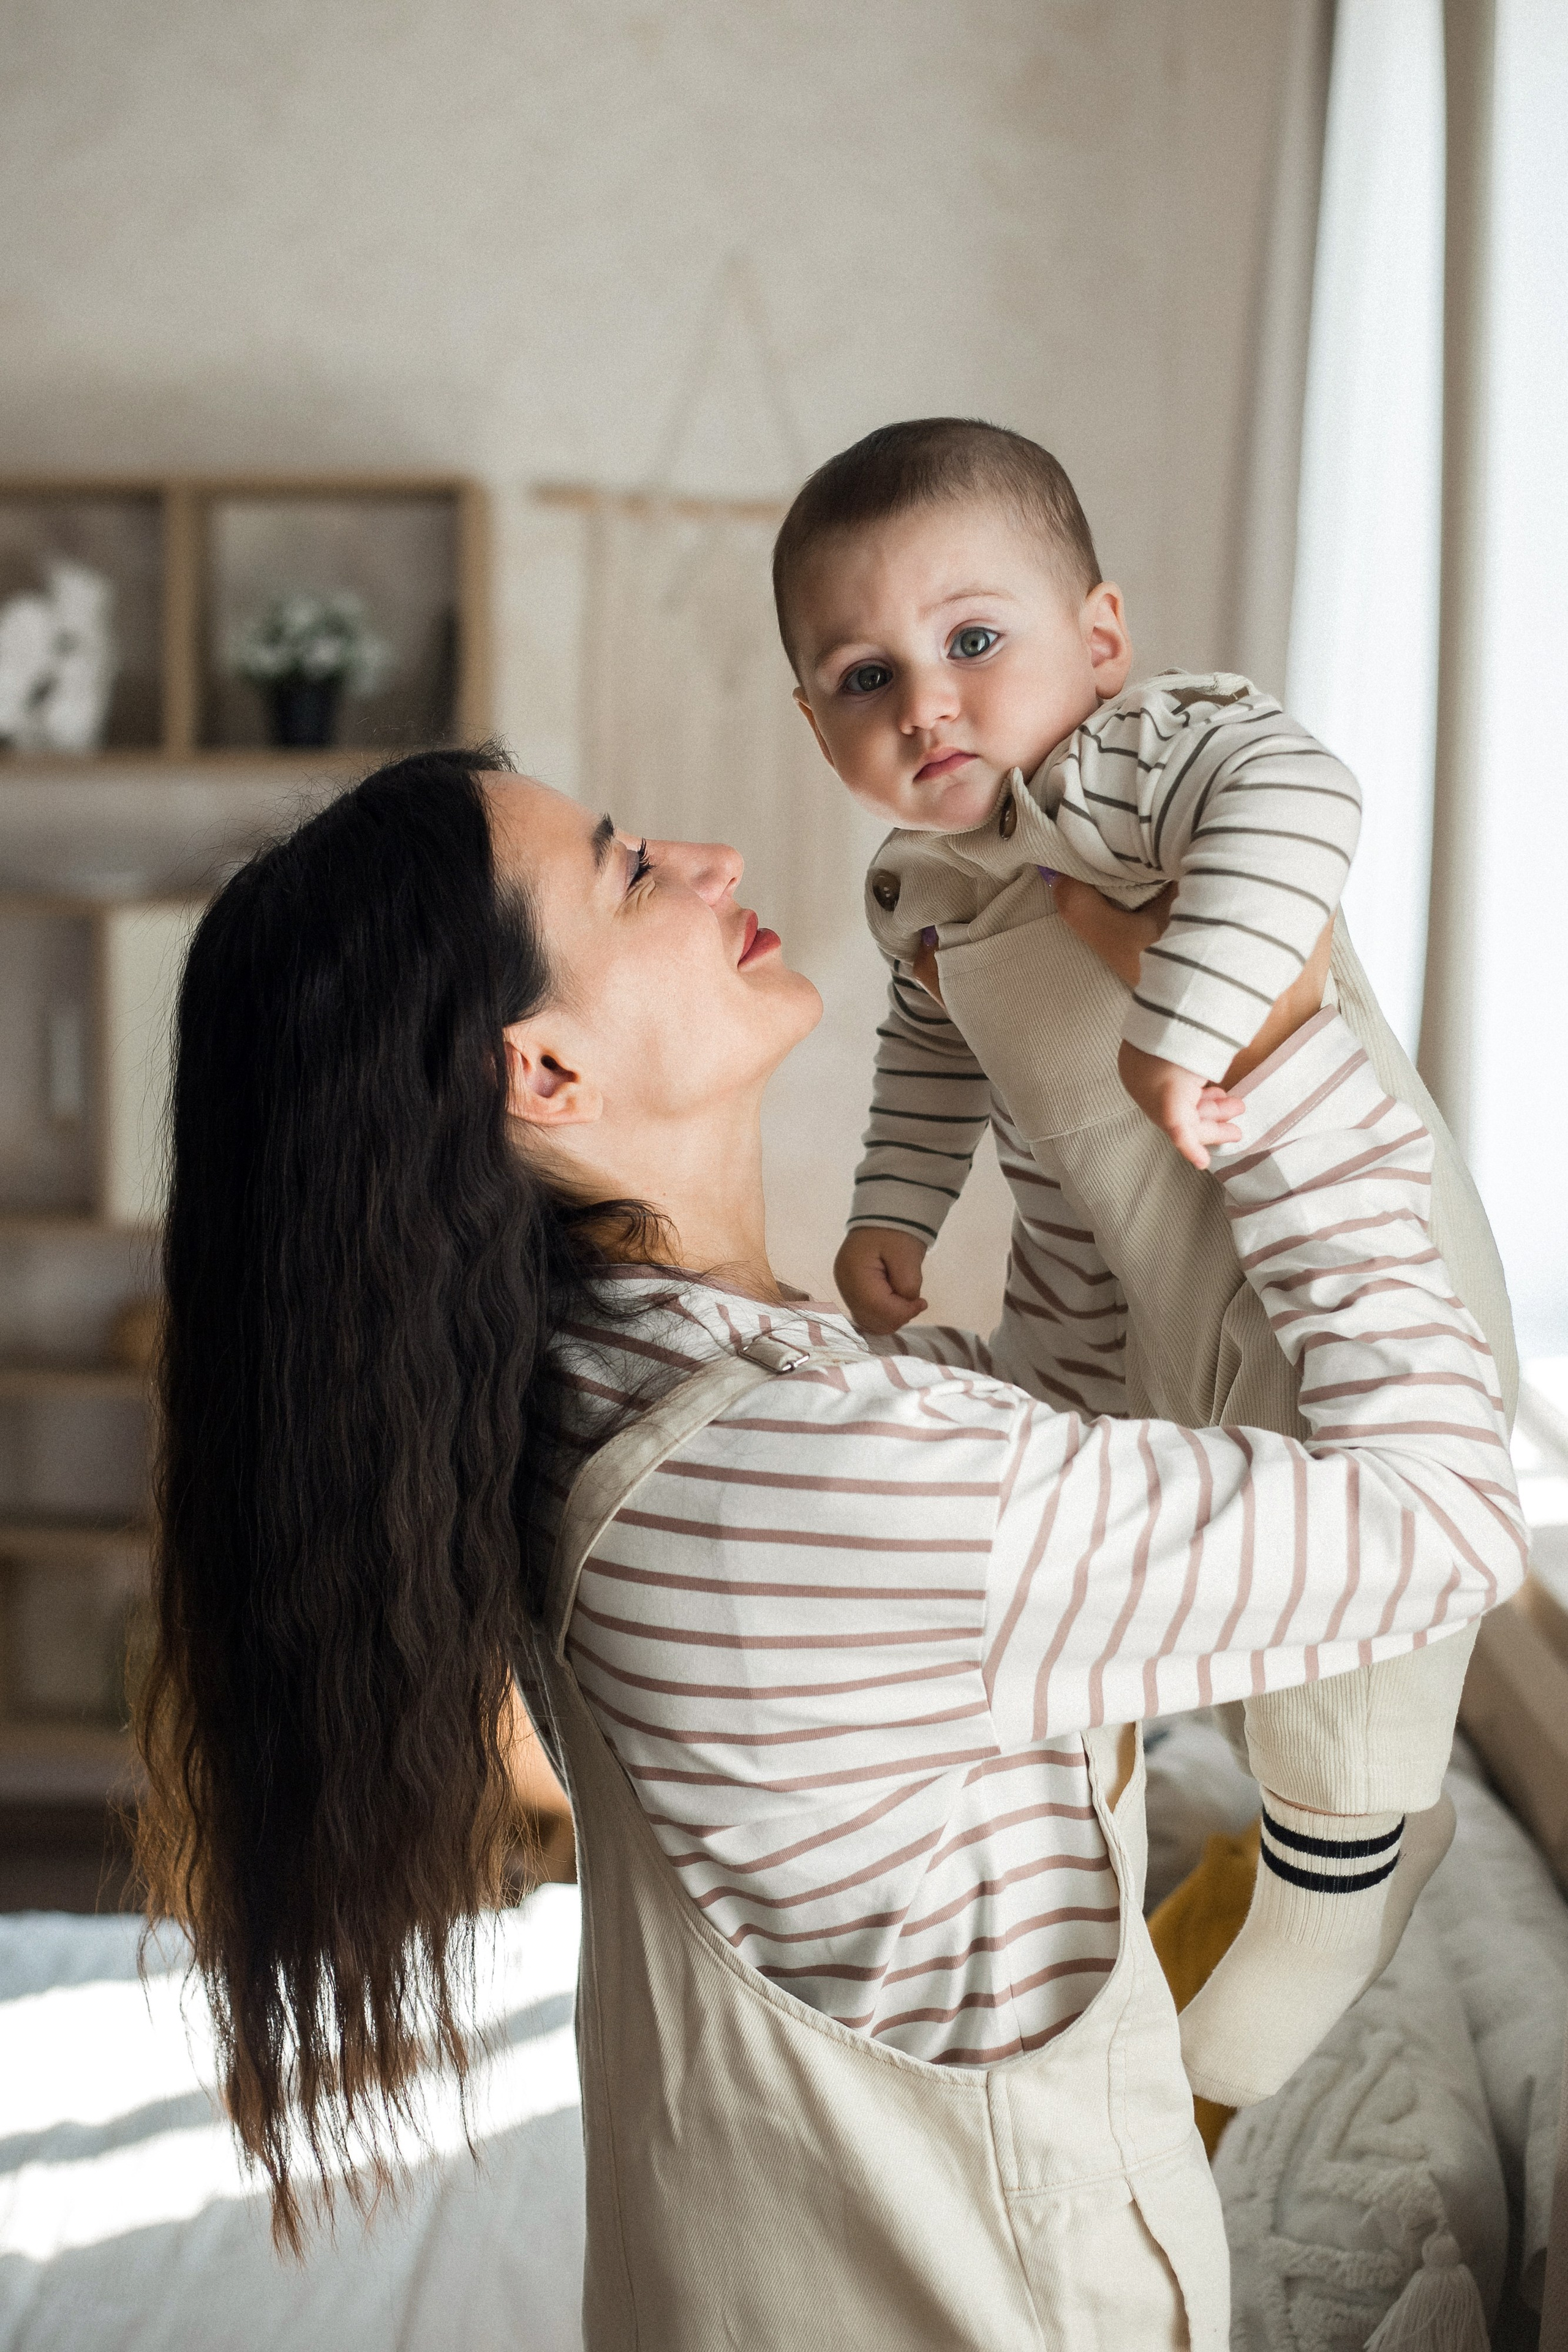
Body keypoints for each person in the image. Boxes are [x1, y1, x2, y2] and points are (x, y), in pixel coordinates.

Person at [135, 745, 1526, 2350]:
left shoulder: (614, 1394)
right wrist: (1284, 1059)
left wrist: (1051, 1056)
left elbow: (1061, 1421)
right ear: (545, 1076)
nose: (711, 857)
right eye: (630, 870)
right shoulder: (788, 1482)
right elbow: (1444, 1523)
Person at [772, 416, 1520, 2110]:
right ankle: (1288, 1843)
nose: (927, 708)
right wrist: (896, 1214)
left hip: (1337, 1276)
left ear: (1099, 641)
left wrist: (1191, 1020)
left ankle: (1281, 1977)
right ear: (813, 721)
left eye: (975, 642)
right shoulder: (923, 888)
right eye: (861, 676)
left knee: (1348, 1664)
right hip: (1113, 1290)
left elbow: (1301, 799)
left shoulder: (1136, 766)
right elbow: (931, 1059)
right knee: (1178, 1582)